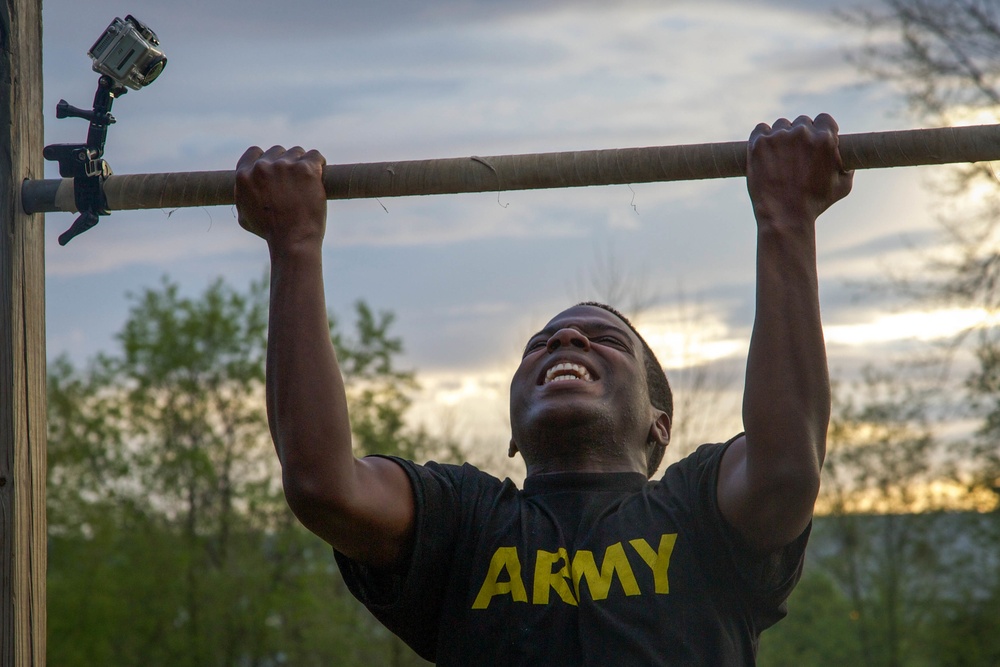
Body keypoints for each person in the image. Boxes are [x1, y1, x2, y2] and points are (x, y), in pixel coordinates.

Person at [234, 114, 853, 666]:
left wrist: (786, 221)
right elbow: (322, 483)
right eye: (540, 343)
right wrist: (294, 246)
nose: (565, 342)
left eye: (603, 339)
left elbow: (784, 467)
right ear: (511, 430)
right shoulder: (462, 523)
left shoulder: (698, 514)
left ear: (659, 424)